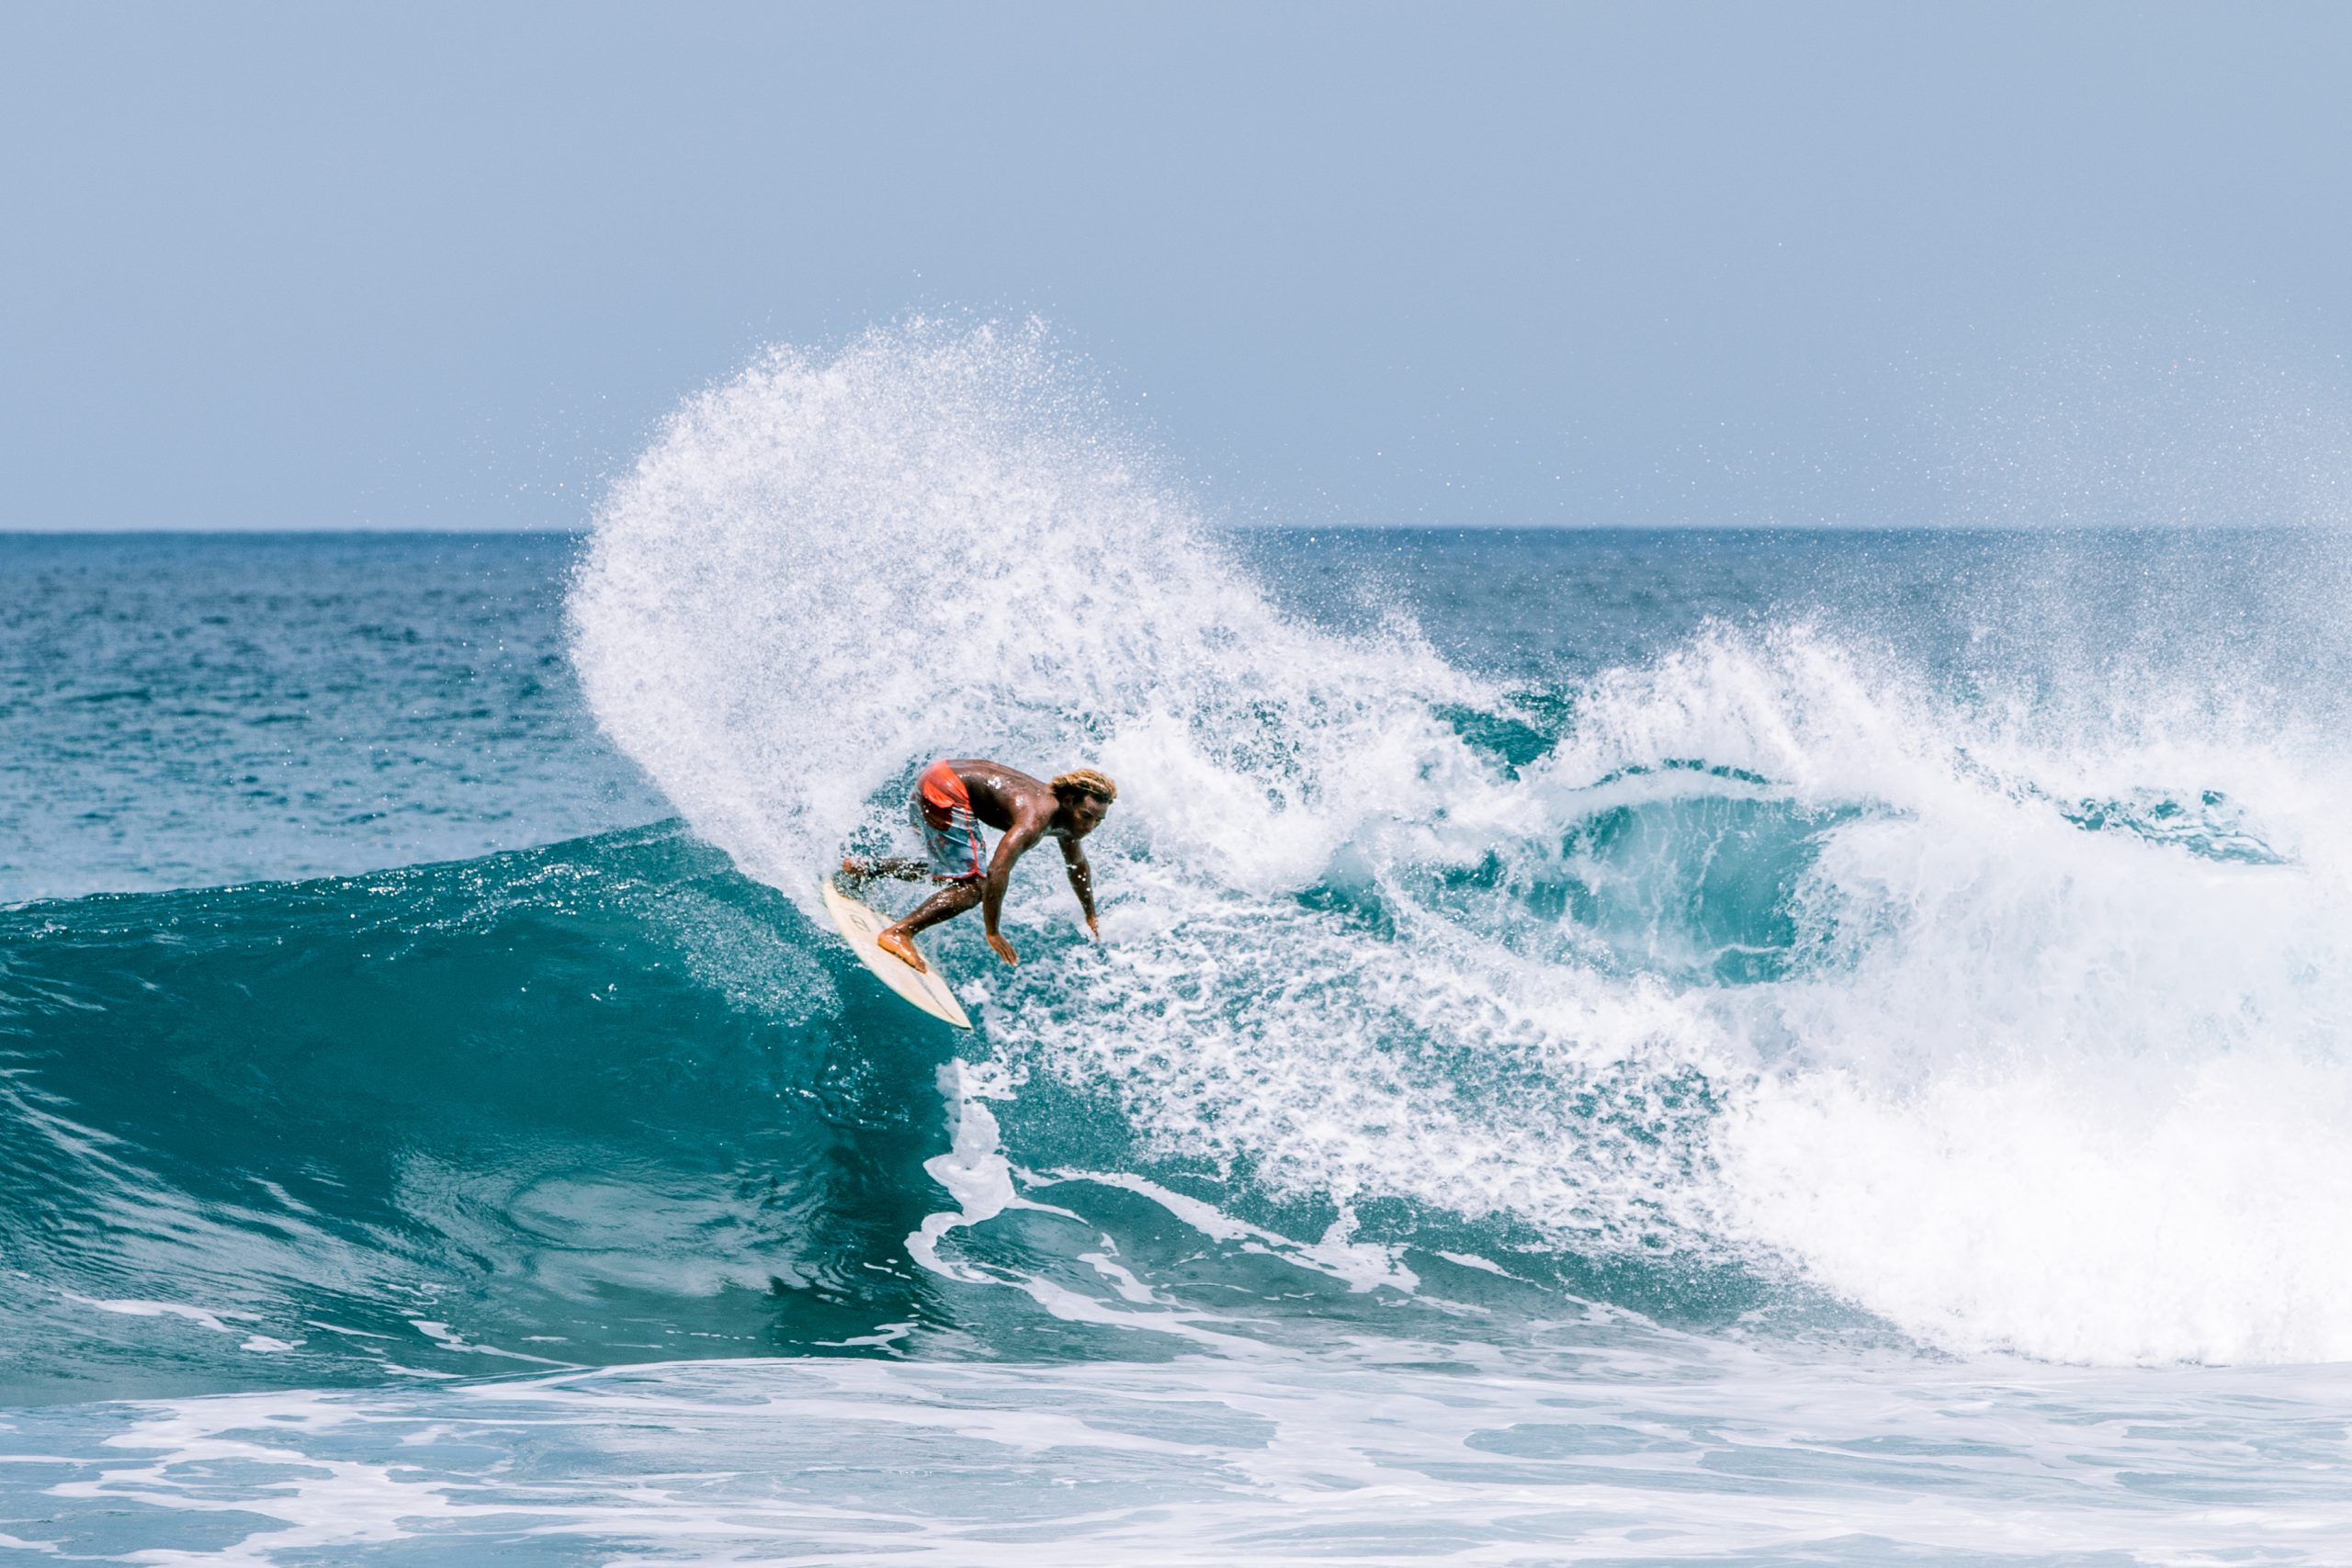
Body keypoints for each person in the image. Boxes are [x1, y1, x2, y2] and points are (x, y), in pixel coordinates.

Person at [840, 758, 1116, 974]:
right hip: (947, 788)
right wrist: (993, 931)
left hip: (938, 774)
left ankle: (865, 869)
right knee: (974, 886)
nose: (1090, 826)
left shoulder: (1068, 823)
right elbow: (998, 870)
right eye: (1087, 816)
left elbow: (1077, 865)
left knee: (955, 868)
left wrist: (1090, 913)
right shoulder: (1036, 818)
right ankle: (899, 933)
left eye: (1098, 821)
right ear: (1069, 801)